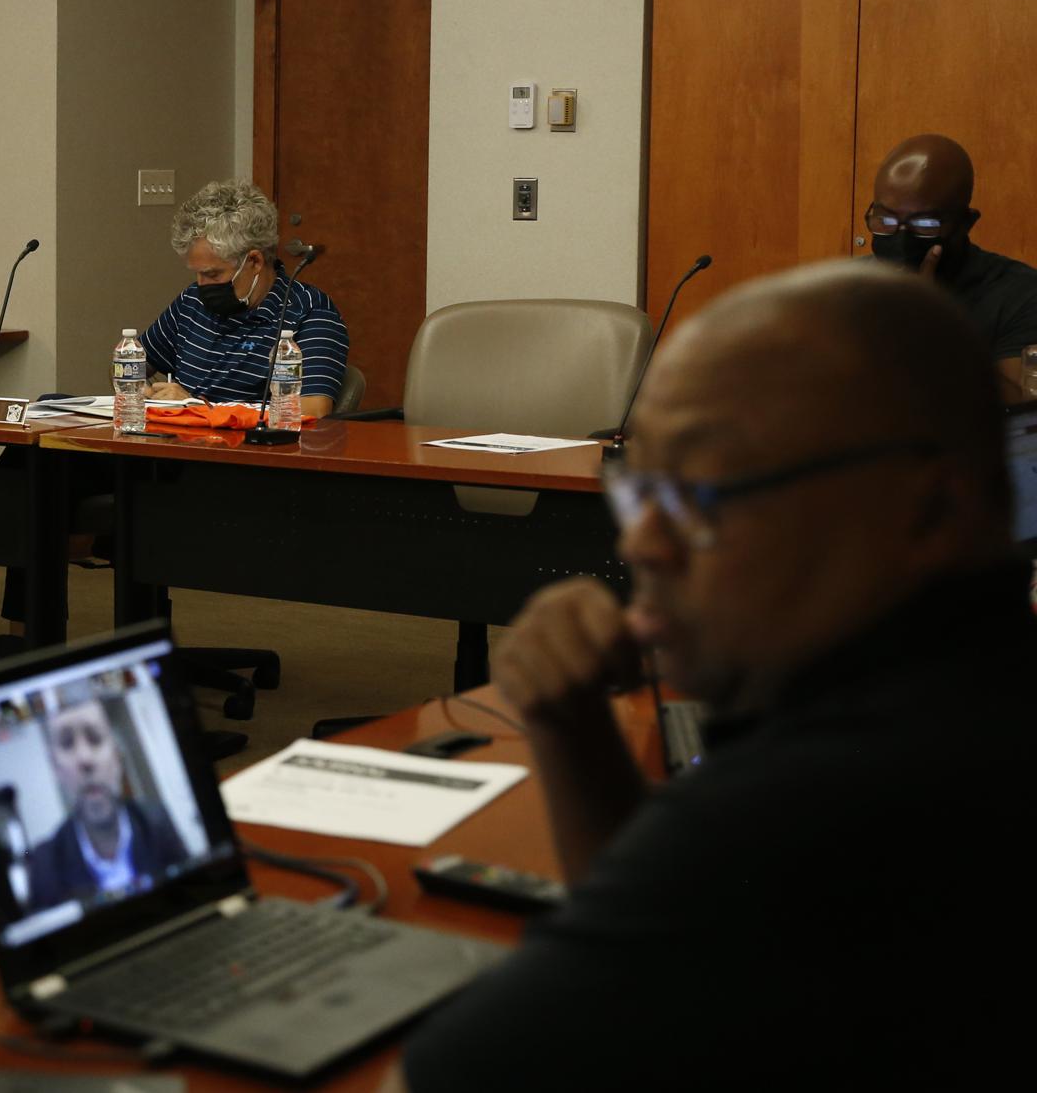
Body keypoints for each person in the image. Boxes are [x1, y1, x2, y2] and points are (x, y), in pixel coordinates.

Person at [391, 261, 1034, 1092]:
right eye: (639, 488)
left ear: (926, 506)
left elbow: (433, 1079)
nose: (642, 544)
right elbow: (655, 972)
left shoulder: (819, 805)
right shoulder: (982, 687)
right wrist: (574, 732)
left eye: (705, 492)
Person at [145, 180, 350, 416]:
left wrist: (201, 410)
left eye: (213, 274)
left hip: (254, 448)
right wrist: (141, 391)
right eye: (197, 273)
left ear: (254, 261)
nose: (201, 285)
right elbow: (129, 360)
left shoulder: (309, 313)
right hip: (174, 443)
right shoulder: (192, 301)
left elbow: (313, 410)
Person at [864, 132, 1037, 395]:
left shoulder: (1021, 295)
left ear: (967, 223)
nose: (900, 239)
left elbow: (1013, 413)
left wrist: (925, 324)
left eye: (925, 225)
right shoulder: (848, 288)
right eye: (885, 221)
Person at [23, 692, 192, 912]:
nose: (85, 759)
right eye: (67, 743)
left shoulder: (156, 821)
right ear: (56, 769)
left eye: (95, 738)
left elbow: (194, 893)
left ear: (116, 757)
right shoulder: (44, 864)